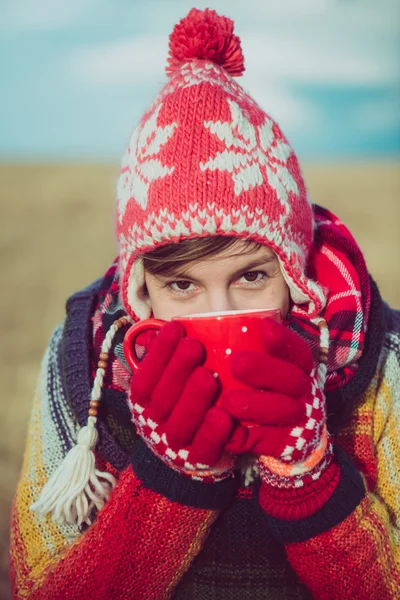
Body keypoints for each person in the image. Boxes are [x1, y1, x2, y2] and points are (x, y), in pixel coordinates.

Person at [9, 8, 400, 600]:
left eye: (251, 276)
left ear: (294, 274)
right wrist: (173, 476)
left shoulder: (375, 354)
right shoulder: (85, 358)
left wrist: (308, 473)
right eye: (182, 286)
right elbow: (40, 586)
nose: (219, 312)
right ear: (141, 291)